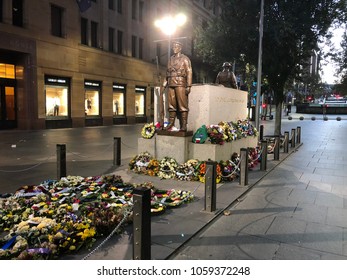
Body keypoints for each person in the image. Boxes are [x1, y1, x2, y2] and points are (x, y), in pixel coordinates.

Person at [163, 41, 192, 132]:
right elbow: (167, 72)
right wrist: (165, 81)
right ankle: (171, 123)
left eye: (176, 46)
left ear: (180, 47)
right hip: (171, 83)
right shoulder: (170, 59)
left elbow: (189, 71)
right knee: (171, 105)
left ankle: (184, 125)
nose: (174, 48)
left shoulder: (185, 59)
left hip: (180, 83)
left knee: (182, 105)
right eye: (173, 47)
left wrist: (189, 85)